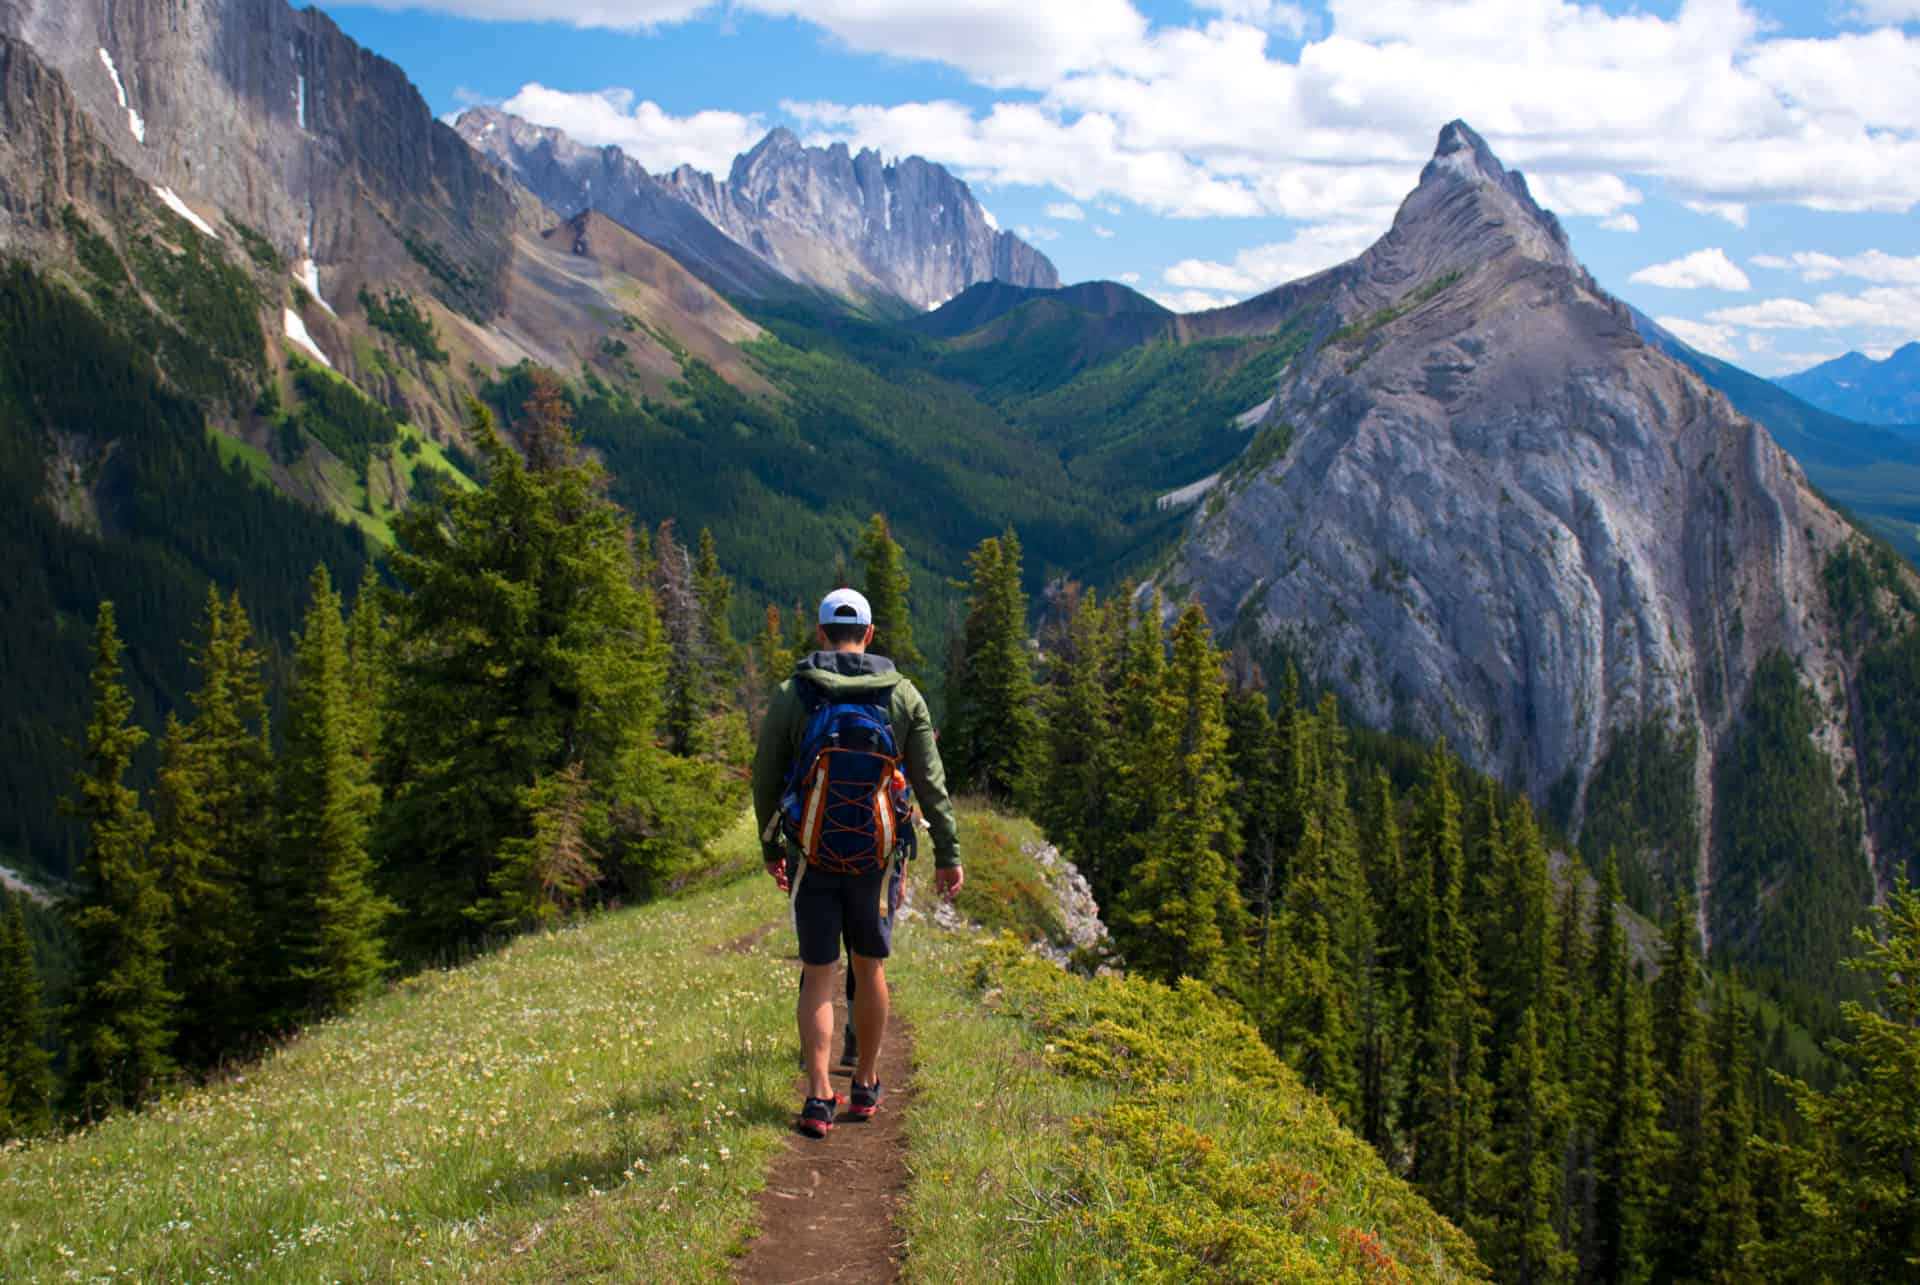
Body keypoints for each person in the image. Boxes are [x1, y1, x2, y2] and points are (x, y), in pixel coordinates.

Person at [753, 587, 963, 1138]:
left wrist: (771, 847)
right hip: (876, 861)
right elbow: (931, 783)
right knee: (869, 967)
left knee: (819, 975)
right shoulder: (902, 696)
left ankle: (819, 1095)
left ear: (821, 634)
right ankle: (867, 1082)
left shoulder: (793, 695)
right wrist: (948, 852)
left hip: (814, 854)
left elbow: (765, 779)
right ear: (869, 635)